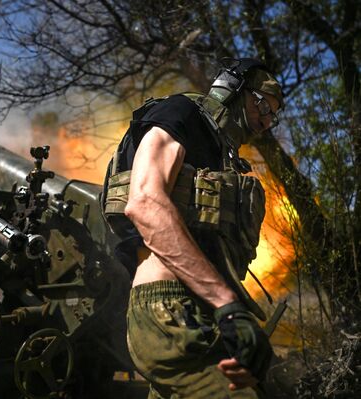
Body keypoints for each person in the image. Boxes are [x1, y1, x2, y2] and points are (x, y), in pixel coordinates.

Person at [101, 58, 284, 398]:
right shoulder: (181, 113)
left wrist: (234, 318)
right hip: (169, 308)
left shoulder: (224, 154)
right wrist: (227, 303)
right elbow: (144, 203)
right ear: (232, 89)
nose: (266, 122)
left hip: (201, 311)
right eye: (262, 105)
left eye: (274, 115)